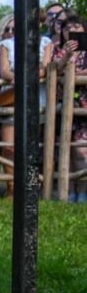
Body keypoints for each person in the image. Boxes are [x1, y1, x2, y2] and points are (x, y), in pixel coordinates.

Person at [52, 14, 87, 203]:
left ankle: (82, 192)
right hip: (63, 108)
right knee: (65, 152)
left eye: (76, 26)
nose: (71, 30)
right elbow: (53, 70)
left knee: (82, 151)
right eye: (67, 27)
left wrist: (74, 73)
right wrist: (67, 56)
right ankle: (68, 192)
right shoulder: (57, 50)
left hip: (84, 107)